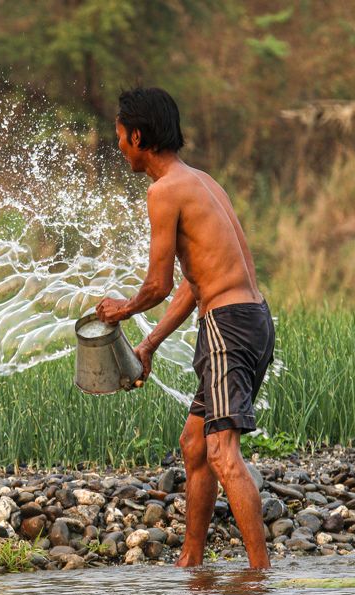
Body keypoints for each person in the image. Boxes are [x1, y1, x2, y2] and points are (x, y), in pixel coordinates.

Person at [95, 87, 274, 569]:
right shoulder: (200, 181)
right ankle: (190, 564)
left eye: (120, 137)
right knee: (195, 444)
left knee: (221, 450)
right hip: (251, 319)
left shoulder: (164, 190)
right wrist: (150, 341)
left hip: (227, 326)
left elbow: (157, 284)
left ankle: (260, 577)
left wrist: (121, 311)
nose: (119, 148)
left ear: (138, 135)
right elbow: (196, 283)